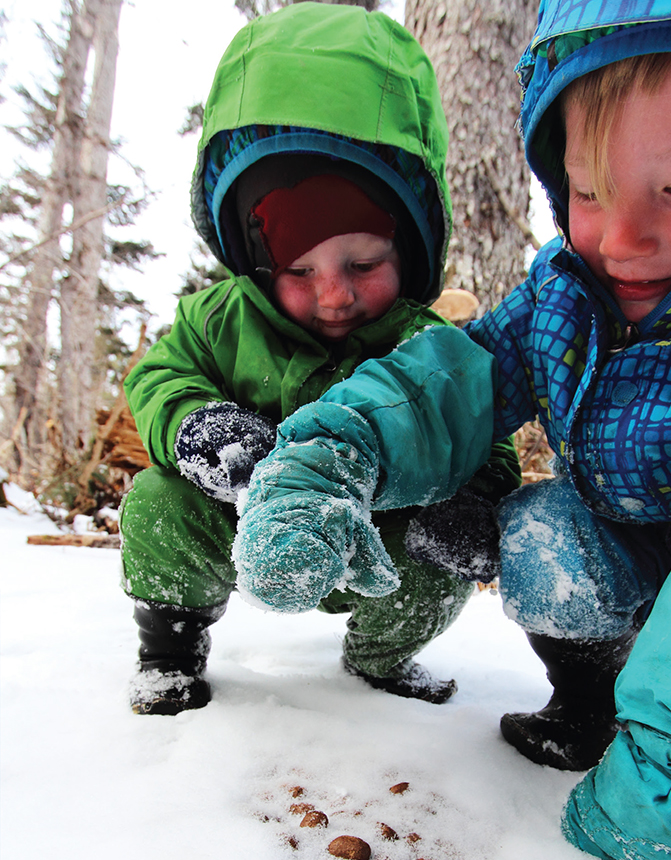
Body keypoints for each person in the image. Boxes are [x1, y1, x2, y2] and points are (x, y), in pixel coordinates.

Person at [232, 0, 671, 860]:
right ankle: (590, 706)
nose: (620, 239)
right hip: (649, 547)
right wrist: (328, 459)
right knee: (541, 530)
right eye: (588, 192)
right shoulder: (567, 296)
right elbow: (447, 380)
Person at [120, 2, 521, 716]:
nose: (334, 295)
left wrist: (476, 497)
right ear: (258, 262)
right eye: (300, 273)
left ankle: (379, 657)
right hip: (240, 522)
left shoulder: (426, 345)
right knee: (157, 504)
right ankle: (170, 650)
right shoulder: (223, 319)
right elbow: (158, 377)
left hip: (375, 543)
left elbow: (481, 431)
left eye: (363, 263)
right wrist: (198, 425)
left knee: (436, 558)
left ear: (411, 251)